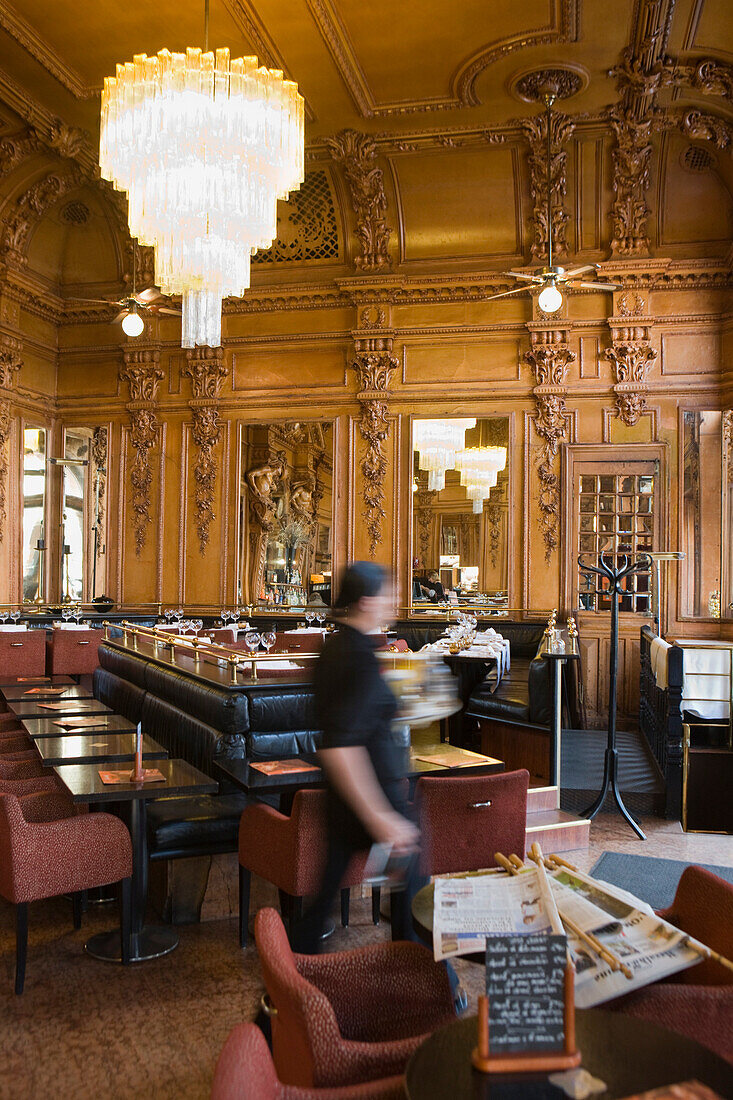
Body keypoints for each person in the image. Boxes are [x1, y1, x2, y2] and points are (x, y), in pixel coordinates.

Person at [290, 561, 421, 954]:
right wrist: (382, 817)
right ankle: (428, 979)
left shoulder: (336, 649)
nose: (394, 602)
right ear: (367, 601)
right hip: (371, 797)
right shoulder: (358, 659)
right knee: (413, 890)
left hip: (344, 799)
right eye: (388, 594)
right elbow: (341, 748)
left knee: (324, 897)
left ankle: (287, 981)